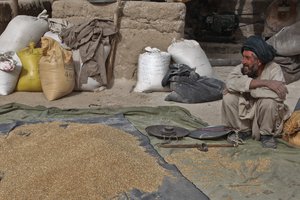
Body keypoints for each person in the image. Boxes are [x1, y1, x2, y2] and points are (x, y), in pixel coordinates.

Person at [222, 35, 291, 148]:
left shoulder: (274, 69)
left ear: (259, 61)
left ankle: (267, 136)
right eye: (243, 57)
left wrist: (246, 90)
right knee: (229, 97)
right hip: (246, 112)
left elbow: (278, 96)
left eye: (247, 58)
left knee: (269, 102)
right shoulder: (242, 67)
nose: (243, 61)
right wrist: (266, 83)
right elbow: (230, 83)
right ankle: (241, 131)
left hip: (264, 116)